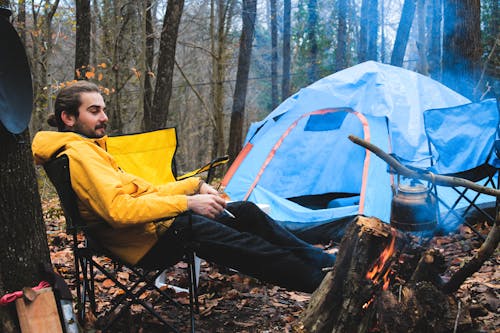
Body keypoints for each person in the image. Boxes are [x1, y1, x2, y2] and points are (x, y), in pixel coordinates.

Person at [32, 81, 335, 293]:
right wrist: (188, 204)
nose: (105, 117)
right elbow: (118, 210)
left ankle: (325, 263)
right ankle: (319, 281)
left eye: (103, 109)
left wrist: (194, 186)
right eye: (94, 111)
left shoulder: (89, 149)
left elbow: (144, 192)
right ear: (68, 118)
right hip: (145, 242)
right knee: (244, 245)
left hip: (153, 229)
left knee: (245, 212)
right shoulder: (79, 154)